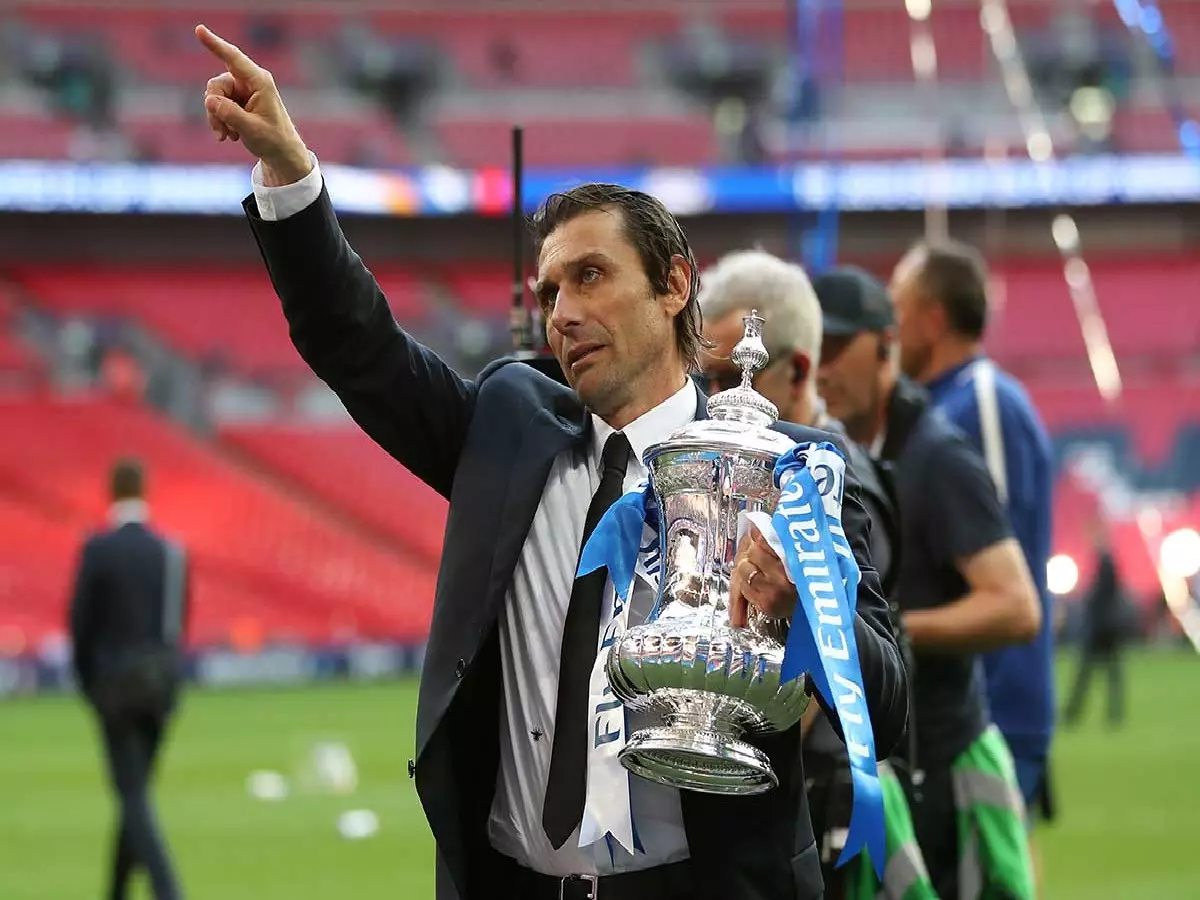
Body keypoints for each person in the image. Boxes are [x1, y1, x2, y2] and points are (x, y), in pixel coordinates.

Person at [196, 24, 909, 900]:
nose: (561, 313)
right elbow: (360, 349)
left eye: (591, 276)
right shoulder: (507, 427)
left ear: (675, 283)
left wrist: (807, 604)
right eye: (549, 291)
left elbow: (891, 699)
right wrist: (290, 175)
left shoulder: (786, 469)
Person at [698, 250, 931, 900]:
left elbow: (868, 672)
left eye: (728, 376)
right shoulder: (770, 474)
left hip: (830, 814)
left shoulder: (837, 484)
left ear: (797, 369)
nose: (712, 401)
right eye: (704, 380)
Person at [813, 266, 1040, 900]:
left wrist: (889, 635)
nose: (823, 370)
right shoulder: (843, 452)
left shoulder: (937, 455)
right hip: (883, 764)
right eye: (812, 352)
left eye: (837, 348)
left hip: (941, 767)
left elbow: (1017, 607)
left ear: (885, 344)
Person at [889, 239, 1056, 814]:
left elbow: (999, 559)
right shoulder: (932, 406)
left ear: (933, 320)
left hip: (990, 709)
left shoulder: (980, 400)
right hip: (951, 709)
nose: (890, 325)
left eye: (899, 307)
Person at [68, 459, 188, 900]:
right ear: (145, 489)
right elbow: (176, 623)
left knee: (132, 794)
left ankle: (167, 890)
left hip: (115, 687)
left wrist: (87, 682)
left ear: (110, 491)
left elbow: (80, 623)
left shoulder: (97, 549)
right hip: (159, 687)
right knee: (134, 793)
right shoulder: (169, 550)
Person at [1063, 517, 1128, 728]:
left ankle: (1074, 712)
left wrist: (1086, 600)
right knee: (1109, 672)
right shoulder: (1107, 560)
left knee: (1089, 671)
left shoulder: (1105, 561)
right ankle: (1112, 714)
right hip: (1109, 624)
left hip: (1103, 626)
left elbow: (1102, 594)